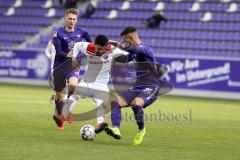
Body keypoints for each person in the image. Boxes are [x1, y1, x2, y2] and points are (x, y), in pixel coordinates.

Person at [53, 35, 129, 132]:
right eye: (98, 49)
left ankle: (100, 124)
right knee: (76, 95)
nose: (100, 51)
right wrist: (74, 59)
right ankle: (62, 117)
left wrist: (119, 45)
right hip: (87, 81)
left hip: (101, 84)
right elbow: (77, 45)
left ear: (106, 47)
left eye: (102, 49)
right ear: (94, 44)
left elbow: (128, 56)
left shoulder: (112, 50)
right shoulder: (88, 47)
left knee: (101, 104)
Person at [105, 26, 162, 145]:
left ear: (130, 38)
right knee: (115, 102)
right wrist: (111, 55)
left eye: (125, 40)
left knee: (136, 104)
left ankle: (141, 130)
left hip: (151, 87)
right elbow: (126, 58)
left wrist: (118, 45)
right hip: (137, 86)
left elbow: (135, 50)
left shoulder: (144, 48)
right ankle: (116, 129)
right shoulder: (135, 51)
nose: (124, 42)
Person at [52, 8, 91, 129]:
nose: (72, 21)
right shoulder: (57, 32)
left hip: (73, 65)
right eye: (70, 19)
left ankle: (67, 110)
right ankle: (60, 118)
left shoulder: (82, 32)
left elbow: (91, 44)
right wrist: (66, 54)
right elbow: (58, 51)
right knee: (59, 96)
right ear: (65, 18)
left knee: (74, 85)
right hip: (59, 66)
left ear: (76, 20)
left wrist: (90, 53)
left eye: (74, 19)